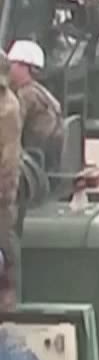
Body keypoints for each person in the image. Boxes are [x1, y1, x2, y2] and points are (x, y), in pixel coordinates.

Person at [5, 41, 58, 164]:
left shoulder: (26, 95)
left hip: (33, 160)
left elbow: (11, 128)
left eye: (12, 64)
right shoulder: (39, 91)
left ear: (25, 67)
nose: (9, 69)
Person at [0, 70, 18, 311]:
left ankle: (8, 292)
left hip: (3, 188)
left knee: (5, 238)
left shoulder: (7, 107)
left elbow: (9, 156)